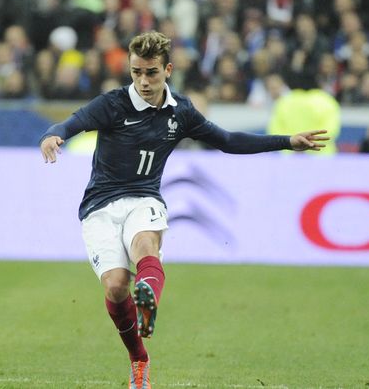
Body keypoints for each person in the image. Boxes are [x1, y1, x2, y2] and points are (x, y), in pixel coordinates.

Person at [38, 31, 329, 389]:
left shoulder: (182, 112)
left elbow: (227, 141)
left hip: (144, 197)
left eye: (152, 73)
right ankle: (139, 358)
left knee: (145, 244)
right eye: (136, 72)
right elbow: (71, 122)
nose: (143, 81)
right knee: (115, 287)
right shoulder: (113, 104)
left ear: (168, 70)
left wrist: (286, 142)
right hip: (100, 206)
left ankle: (148, 301)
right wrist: (54, 135)